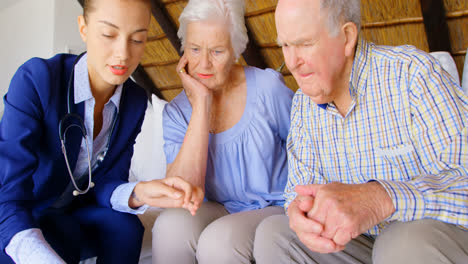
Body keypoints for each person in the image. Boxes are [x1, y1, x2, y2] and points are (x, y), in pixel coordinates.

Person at [253, 0, 468, 263]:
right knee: (275, 236)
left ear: (347, 37)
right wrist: (300, 212)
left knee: (400, 244)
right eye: (284, 45)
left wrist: (381, 197)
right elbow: (299, 190)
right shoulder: (303, 105)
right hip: (362, 244)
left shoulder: (412, 75)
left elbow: (463, 180)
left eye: (305, 44)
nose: (291, 62)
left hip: (429, 241)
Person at [0, 0, 202, 263]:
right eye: (109, 35)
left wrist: (139, 192)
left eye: (138, 40)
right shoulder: (37, 80)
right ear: (83, 28)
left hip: (72, 213)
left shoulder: (135, 100)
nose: (123, 54)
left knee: (126, 228)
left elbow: (107, 181)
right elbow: (8, 195)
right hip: (24, 210)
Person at [151, 0, 294, 263]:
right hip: (219, 208)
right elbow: (181, 192)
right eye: (194, 49)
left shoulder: (267, 89)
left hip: (274, 207)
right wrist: (201, 104)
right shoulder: (177, 112)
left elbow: (309, 148)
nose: (203, 64)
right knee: (169, 226)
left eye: (217, 51)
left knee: (219, 241)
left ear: (236, 50)